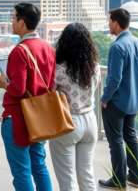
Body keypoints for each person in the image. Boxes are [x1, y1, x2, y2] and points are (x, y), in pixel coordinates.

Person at [0, 2, 55, 191]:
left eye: (13, 17)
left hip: (18, 118)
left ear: (22, 22)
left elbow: (18, 89)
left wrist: (3, 83)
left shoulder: (19, 51)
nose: (11, 21)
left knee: (21, 172)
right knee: (39, 166)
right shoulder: (48, 48)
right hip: (40, 117)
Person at [99, 8, 138, 190]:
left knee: (116, 141)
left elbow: (114, 79)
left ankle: (118, 180)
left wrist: (105, 99)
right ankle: (135, 177)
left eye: (109, 21)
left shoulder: (117, 47)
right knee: (131, 137)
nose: (108, 25)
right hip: (133, 102)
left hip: (117, 103)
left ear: (116, 23)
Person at [48, 23, 100, 191]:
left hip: (67, 122)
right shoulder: (95, 68)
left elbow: (50, 93)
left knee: (67, 179)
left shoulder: (59, 70)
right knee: (87, 175)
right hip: (90, 120)